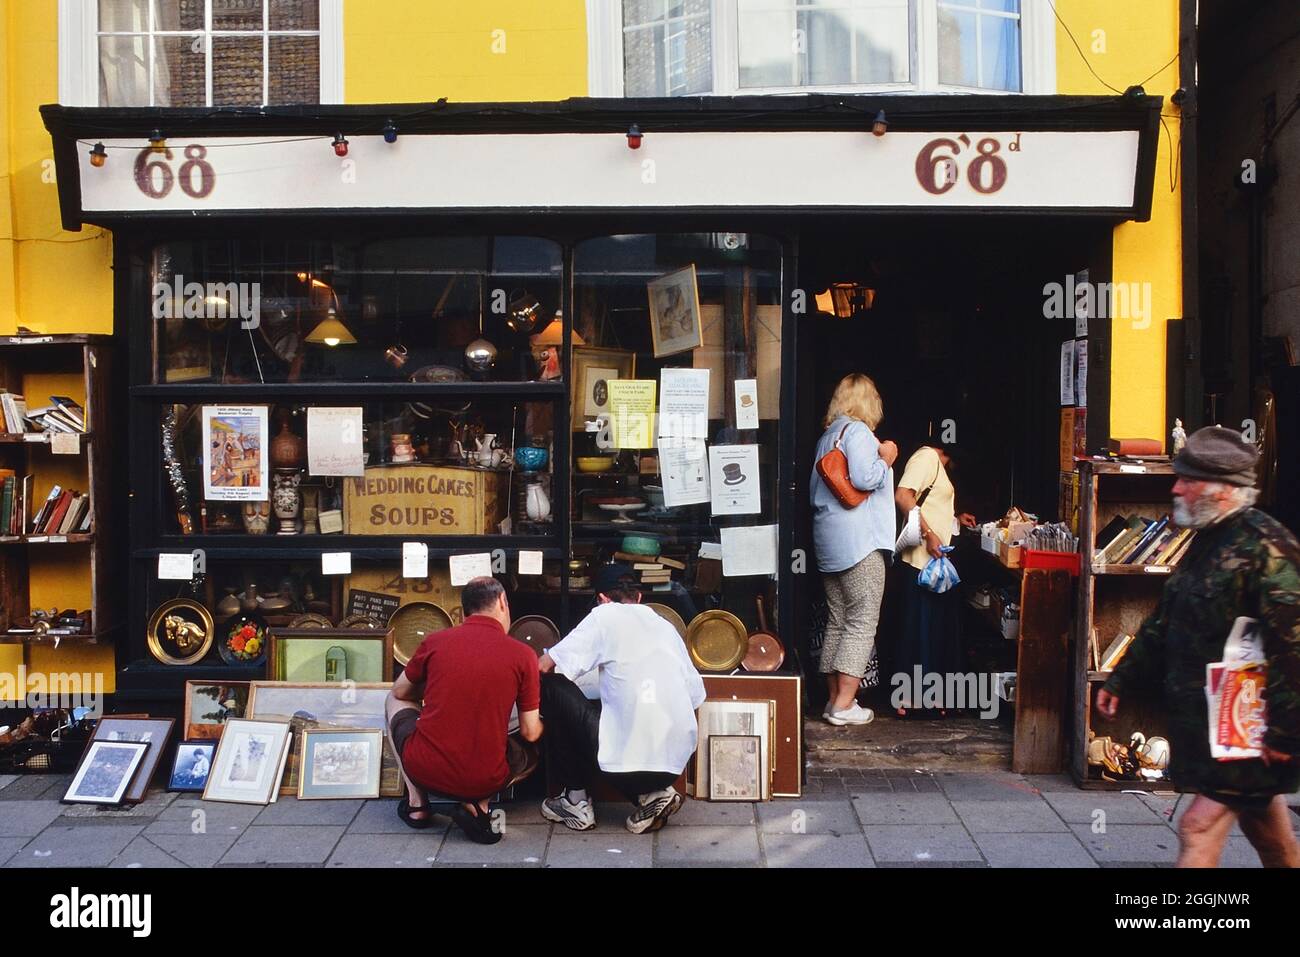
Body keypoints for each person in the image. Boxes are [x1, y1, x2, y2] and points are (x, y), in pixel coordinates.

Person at [1096, 426, 1300, 867]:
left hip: (1251, 727)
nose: (1175, 488)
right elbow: (1164, 621)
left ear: (1222, 489)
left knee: (1198, 826)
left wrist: (1286, 731)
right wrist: (1122, 678)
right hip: (1216, 729)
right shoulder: (1207, 541)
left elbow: (1293, 645)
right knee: (1267, 831)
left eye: (1187, 480)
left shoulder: (1268, 548)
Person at [536, 562, 706, 833]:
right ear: (639, 597)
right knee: (621, 726)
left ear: (602, 599)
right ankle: (651, 796)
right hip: (673, 766)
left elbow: (545, 665)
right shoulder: (665, 626)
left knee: (551, 687)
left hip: (627, 766)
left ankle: (575, 800)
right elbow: (696, 696)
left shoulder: (603, 616)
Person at [385, 576, 542, 845]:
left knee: (392, 701)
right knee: (524, 744)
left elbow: (400, 692)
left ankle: (417, 804)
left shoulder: (435, 641)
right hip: (486, 777)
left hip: (425, 769)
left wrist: (435, 692)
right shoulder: (523, 654)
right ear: (502, 602)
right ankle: (479, 804)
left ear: (464, 610)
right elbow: (530, 732)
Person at [810, 373, 899, 726]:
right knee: (862, 621)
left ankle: (834, 700)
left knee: (837, 620)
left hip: (829, 543)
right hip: (860, 541)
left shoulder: (828, 436)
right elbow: (864, 478)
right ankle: (845, 704)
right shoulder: (859, 432)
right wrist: (887, 458)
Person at [893, 440, 978, 717]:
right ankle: (910, 699)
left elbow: (930, 506)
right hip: (920, 561)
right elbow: (903, 496)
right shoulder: (927, 458)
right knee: (920, 627)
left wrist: (955, 520)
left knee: (929, 628)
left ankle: (927, 696)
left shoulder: (935, 466)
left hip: (931, 562)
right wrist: (929, 535)